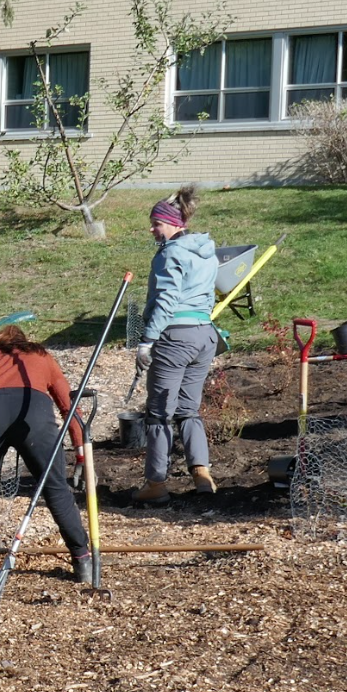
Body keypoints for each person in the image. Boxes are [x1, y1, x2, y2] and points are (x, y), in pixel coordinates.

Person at [0, 323, 94, 592]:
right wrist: (80, 449)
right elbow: (68, 406)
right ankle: (83, 561)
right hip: (33, 413)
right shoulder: (41, 357)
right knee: (57, 489)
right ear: (24, 342)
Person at [133, 188, 220, 504]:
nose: (152, 229)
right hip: (204, 334)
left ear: (172, 223)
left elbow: (167, 300)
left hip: (175, 338)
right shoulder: (206, 251)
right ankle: (202, 474)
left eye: (156, 223)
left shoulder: (171, 253)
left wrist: (147, 341)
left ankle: (156, 484)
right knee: (189, 409)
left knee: (158, 413)